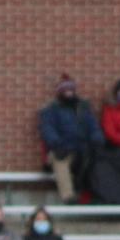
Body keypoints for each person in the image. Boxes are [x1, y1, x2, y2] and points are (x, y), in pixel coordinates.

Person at [37, 74, 103, 203]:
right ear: (60, 92)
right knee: (59, 160)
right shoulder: (51, 110)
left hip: (83, 149)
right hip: (62, 149)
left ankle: (95, 196)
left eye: (70, 89)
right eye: (65, 90)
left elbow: (93, 126)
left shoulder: (83, 109)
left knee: (98, 161)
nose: (69, 92)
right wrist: (57, 144)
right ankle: (68, 196)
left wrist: (97, 138)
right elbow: (47, 129)